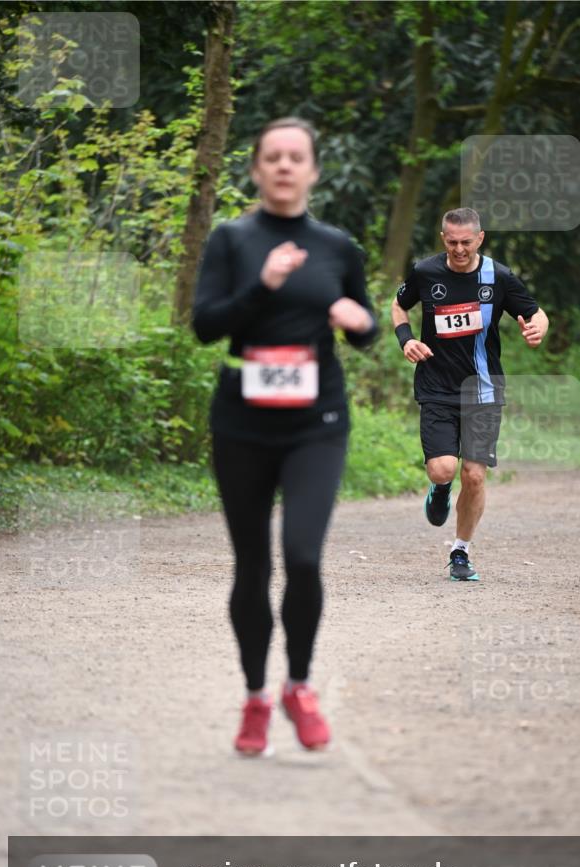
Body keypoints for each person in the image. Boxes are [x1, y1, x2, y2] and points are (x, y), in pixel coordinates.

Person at [193, 118, 377, 756]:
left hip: (315, 422)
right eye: (272, 157)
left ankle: (299, 686)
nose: (284, 166)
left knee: (301, 556)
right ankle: (254, 699)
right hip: (241, 421)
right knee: (252, 564)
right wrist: (262, 285)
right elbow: (205, 325)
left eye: (296, 157)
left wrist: (361, 323)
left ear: (313, 170)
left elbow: (366, 322)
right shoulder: (232, 240)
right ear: (256, 169)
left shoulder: (336, 246)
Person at [391, 207, 548, 581]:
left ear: (480, 238)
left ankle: (460, 551)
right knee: (443, 468)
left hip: (484, 387)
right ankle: (440, 489)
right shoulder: (426, 272)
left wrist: (537, 330)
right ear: (443, 238)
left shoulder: (499, 277)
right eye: (451, 242)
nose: (459, 249)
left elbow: (537, 313)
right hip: (436, 385)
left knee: (475, 476)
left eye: (466, 242)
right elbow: (399, 305)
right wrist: (406, 339)